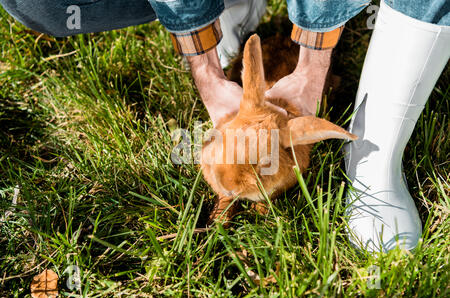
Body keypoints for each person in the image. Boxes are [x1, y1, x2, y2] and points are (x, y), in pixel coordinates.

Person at [1, 0, 449, 252]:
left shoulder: (291, 151)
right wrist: (209, 77)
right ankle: (229, 3)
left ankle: (375, 154)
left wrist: (314, 64)